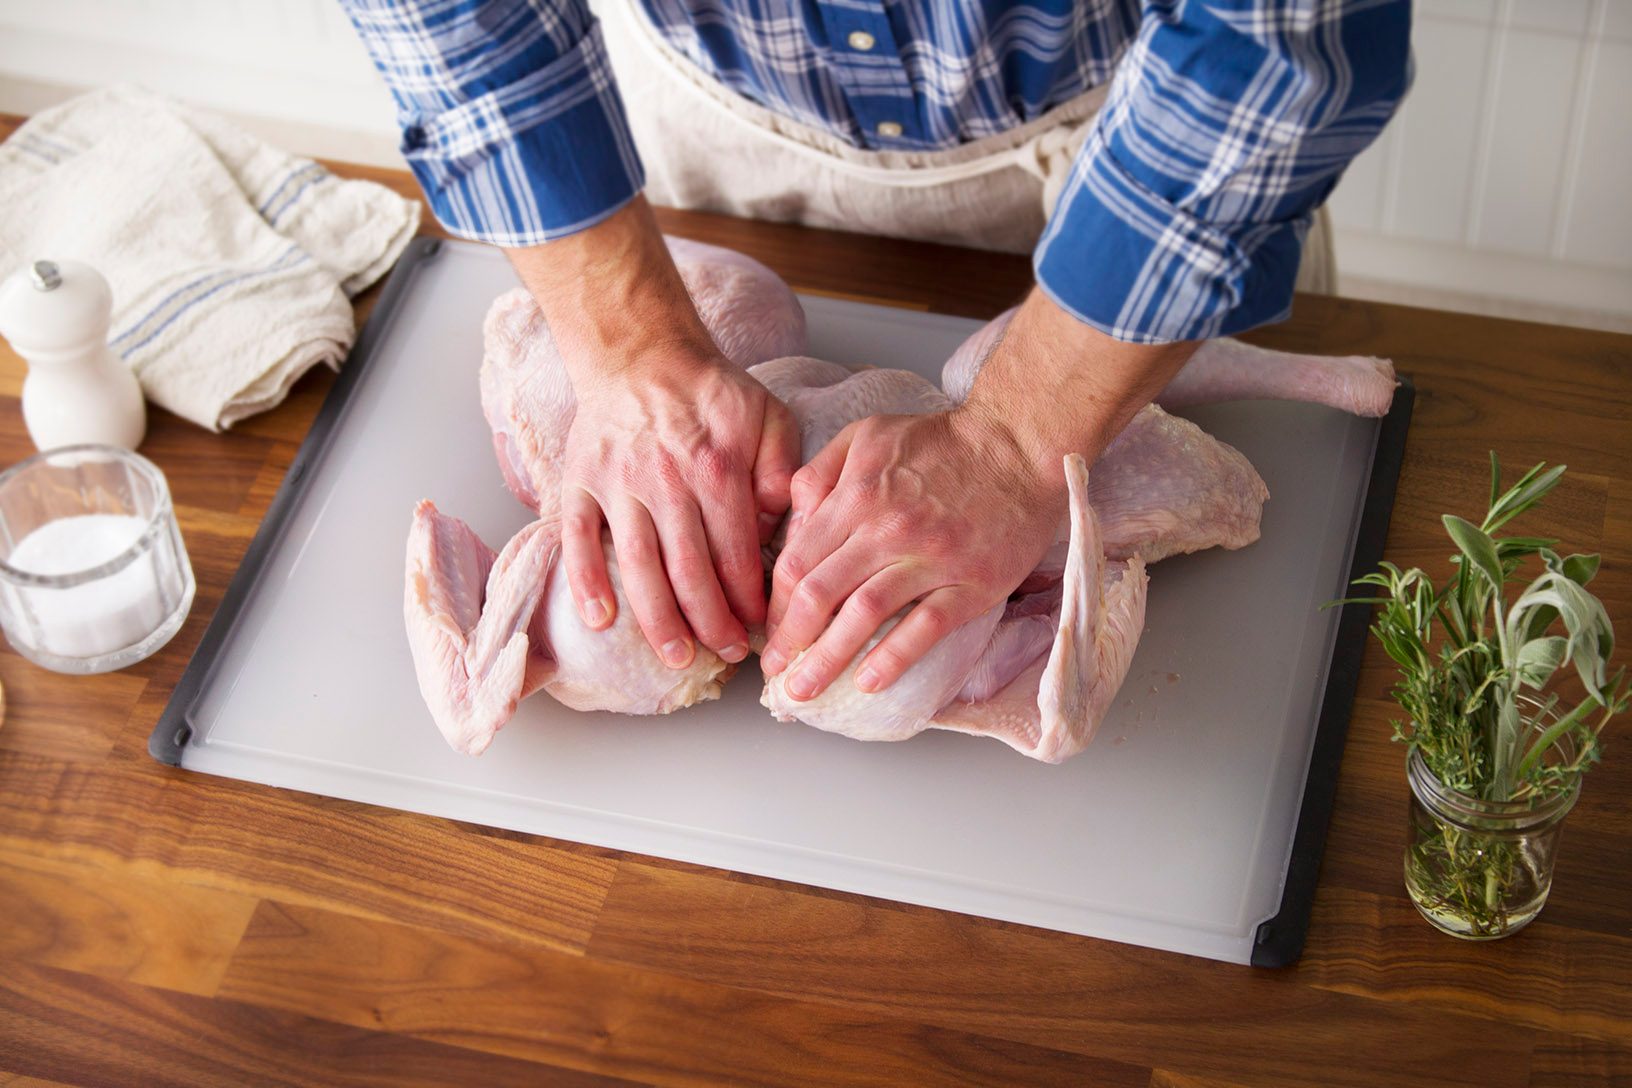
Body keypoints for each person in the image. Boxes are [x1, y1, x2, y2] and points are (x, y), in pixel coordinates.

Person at [342, 0, 1411, 702]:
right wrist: (625, 342)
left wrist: (1019, 439)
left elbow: (1280, 44)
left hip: (1147, 159)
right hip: (712, 127)